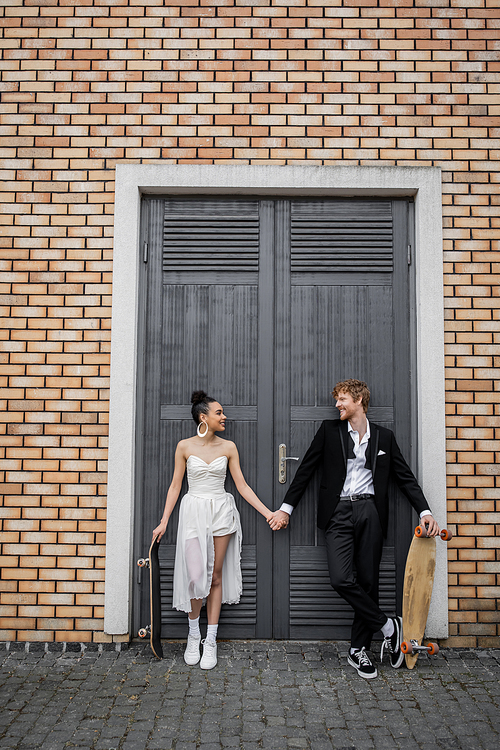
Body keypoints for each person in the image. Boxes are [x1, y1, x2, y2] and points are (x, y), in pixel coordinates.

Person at [268, 378, 440, 679]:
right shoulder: (329, 432)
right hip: (338, 512)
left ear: (359, 400)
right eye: (337, 400)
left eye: (342, 399)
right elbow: (306, 469)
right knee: (341, 578)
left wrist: (425, 511)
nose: (337, 405)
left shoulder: (384, 437)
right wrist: (286, 508)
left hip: (370, 510)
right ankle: (388, 627)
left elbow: (405, 477)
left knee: (369, 582)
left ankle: (358, 650)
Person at [153, 390, 284, 670]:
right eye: (219, 413)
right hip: (193, 512)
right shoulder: (184, 447)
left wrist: (268, 513)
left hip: (221, 511)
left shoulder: (229, 447)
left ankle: (210, 640)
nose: (225, 417)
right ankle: (193, 635)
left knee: (214, 576)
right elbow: (176, 486)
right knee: (195, 575)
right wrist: (164, 520)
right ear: (204, 417)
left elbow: (242, 486)